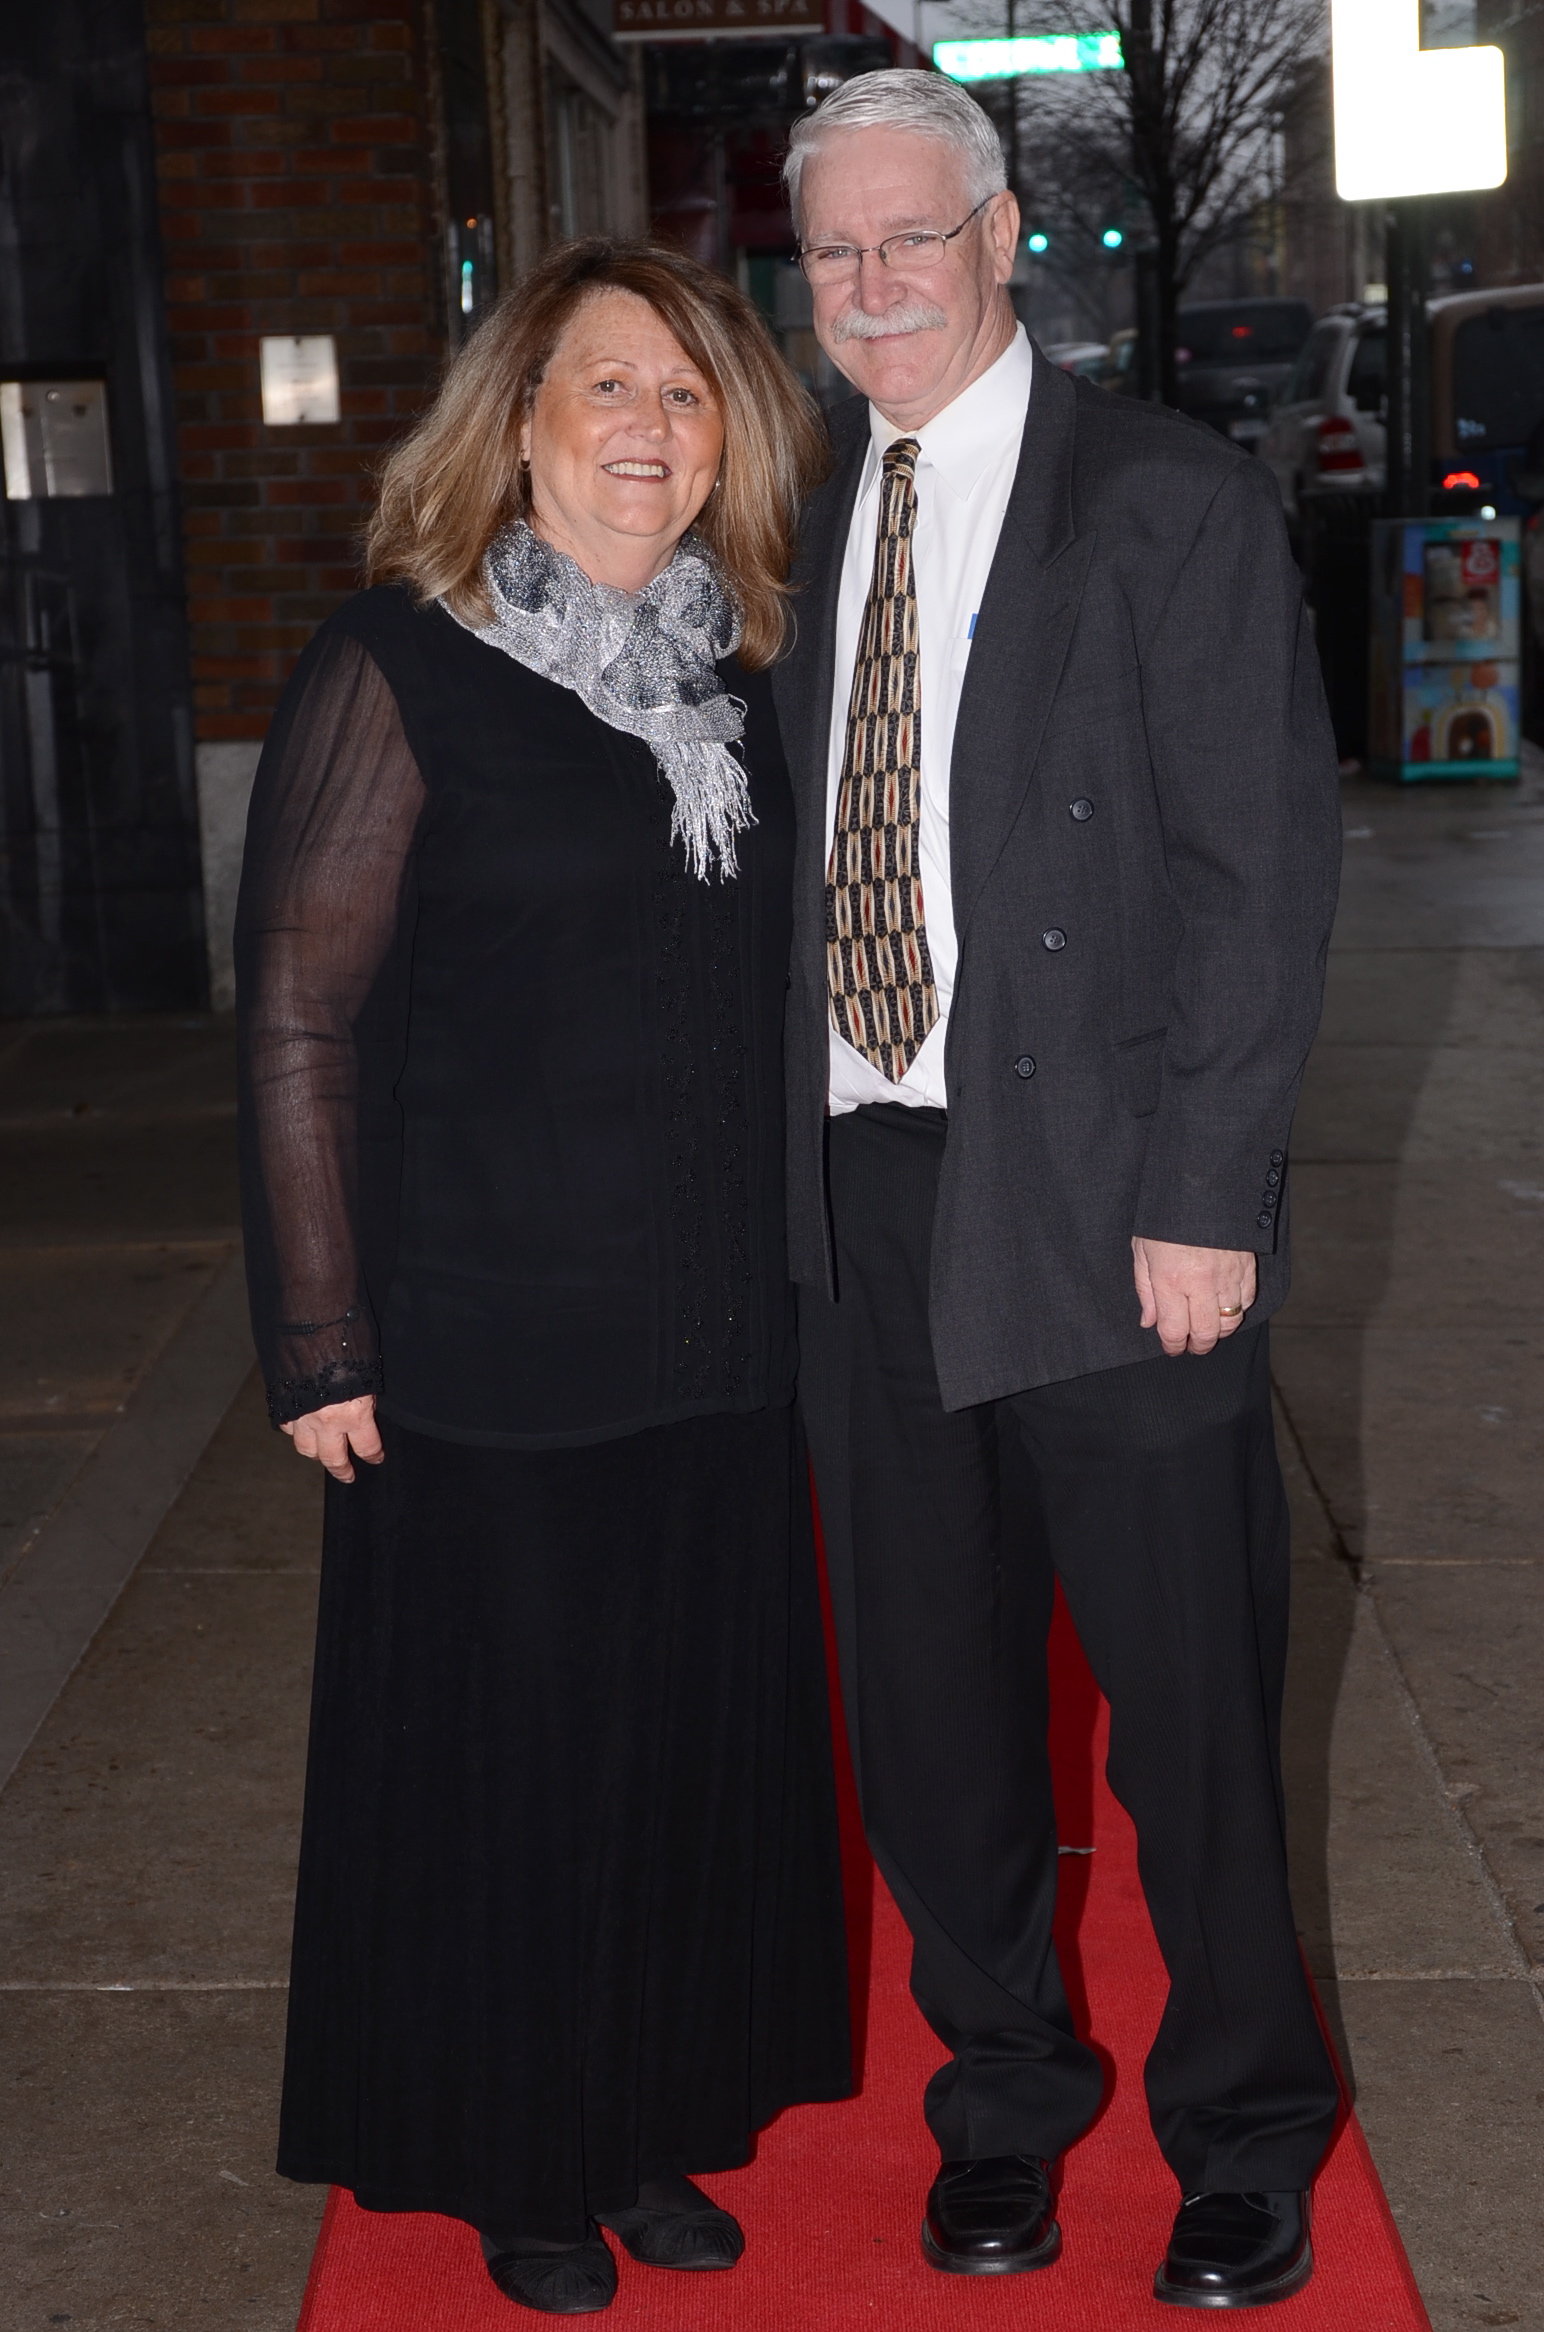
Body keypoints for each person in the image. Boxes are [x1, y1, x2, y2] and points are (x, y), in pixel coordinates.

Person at [235, 237, 850, 2319]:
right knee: (521, 1764)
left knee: (684, 1746)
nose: (650, 434)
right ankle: (522, 2153)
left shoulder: (736, 679)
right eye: (609, 389)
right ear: (518, 419)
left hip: (707, 1328)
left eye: (686, 398)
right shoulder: (398, 667)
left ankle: (649, 2110)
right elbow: (302, 1018)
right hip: (486, 1333)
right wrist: (319, 1333)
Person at [773, 70, 1343, 2310]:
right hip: (864, 1204)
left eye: (916, 237)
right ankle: (1000, 2094)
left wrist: (1211, 1188)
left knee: (1190, 1707)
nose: (878, 285)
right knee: (932, 1714)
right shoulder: (795, 509)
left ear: (1007, 235)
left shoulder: (1166, 503)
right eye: (836, 252)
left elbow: (1254, 873)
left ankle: (1243, 2128)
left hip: (1118, 1208)